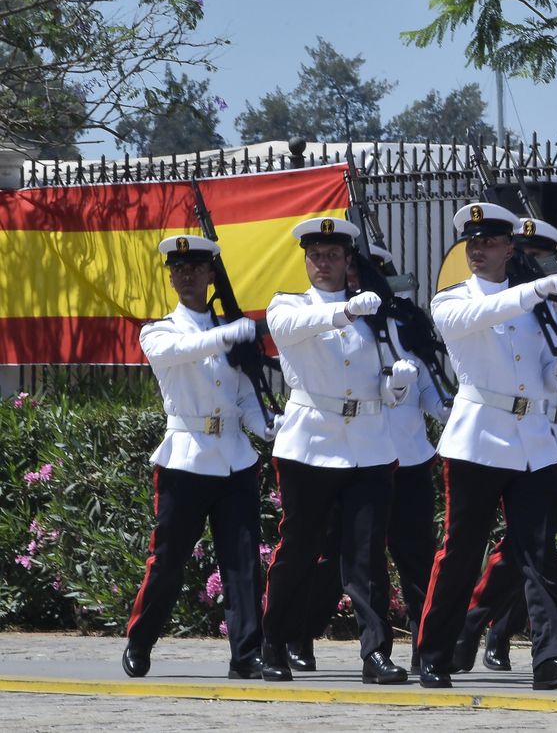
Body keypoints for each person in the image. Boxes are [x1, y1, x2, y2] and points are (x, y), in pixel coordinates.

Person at [410, 202, 557, 691]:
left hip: (533, 441)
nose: (479, 250)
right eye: (473, 242)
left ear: (510, 248)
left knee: (538, 553)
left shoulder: (536, 306)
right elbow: (479, 316)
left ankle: (550, 658)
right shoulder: (452, 301)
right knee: (461, 552)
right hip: (478, 439)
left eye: (489, 242)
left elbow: (543, 379)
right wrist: (533, 291)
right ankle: (435, 653)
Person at [287, 242, 448, 675]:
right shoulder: (341, 322)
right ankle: (299, 636)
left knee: (415, 558)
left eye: (365, 273)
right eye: (353, 271)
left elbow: (429, 379)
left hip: (407, 454)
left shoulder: (404, 322)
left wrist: (444, 407)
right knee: (333, 558)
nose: (356, 281)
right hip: (356, 454)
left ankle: (425, 645)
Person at [260, 217, 408, 684]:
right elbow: (291, 327)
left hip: (368, 444)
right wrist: (344, 313)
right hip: (311, 444)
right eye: (315, 256)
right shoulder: (288, 305)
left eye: (332, 256)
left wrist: (398, 388)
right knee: (299, 550)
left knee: (366, 554)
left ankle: (375, 653)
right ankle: (274, 643)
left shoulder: (375, 314)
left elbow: (380, 381)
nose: (323, 263)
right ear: (306, 260)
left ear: (349, 261)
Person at [123, 234, 272, 680]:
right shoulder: (160, 331)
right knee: (168, 562)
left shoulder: (231, 328)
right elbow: (180, 353)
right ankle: (140, 639)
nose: (187, 276)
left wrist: (263, 425)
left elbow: (245, 392)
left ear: (211, 275)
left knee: (244, 562)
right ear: (171, 278)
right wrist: (226, 333)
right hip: (185, 460)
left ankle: (247, 653)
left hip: (234, 460)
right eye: (179, 270)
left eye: (196, 269)